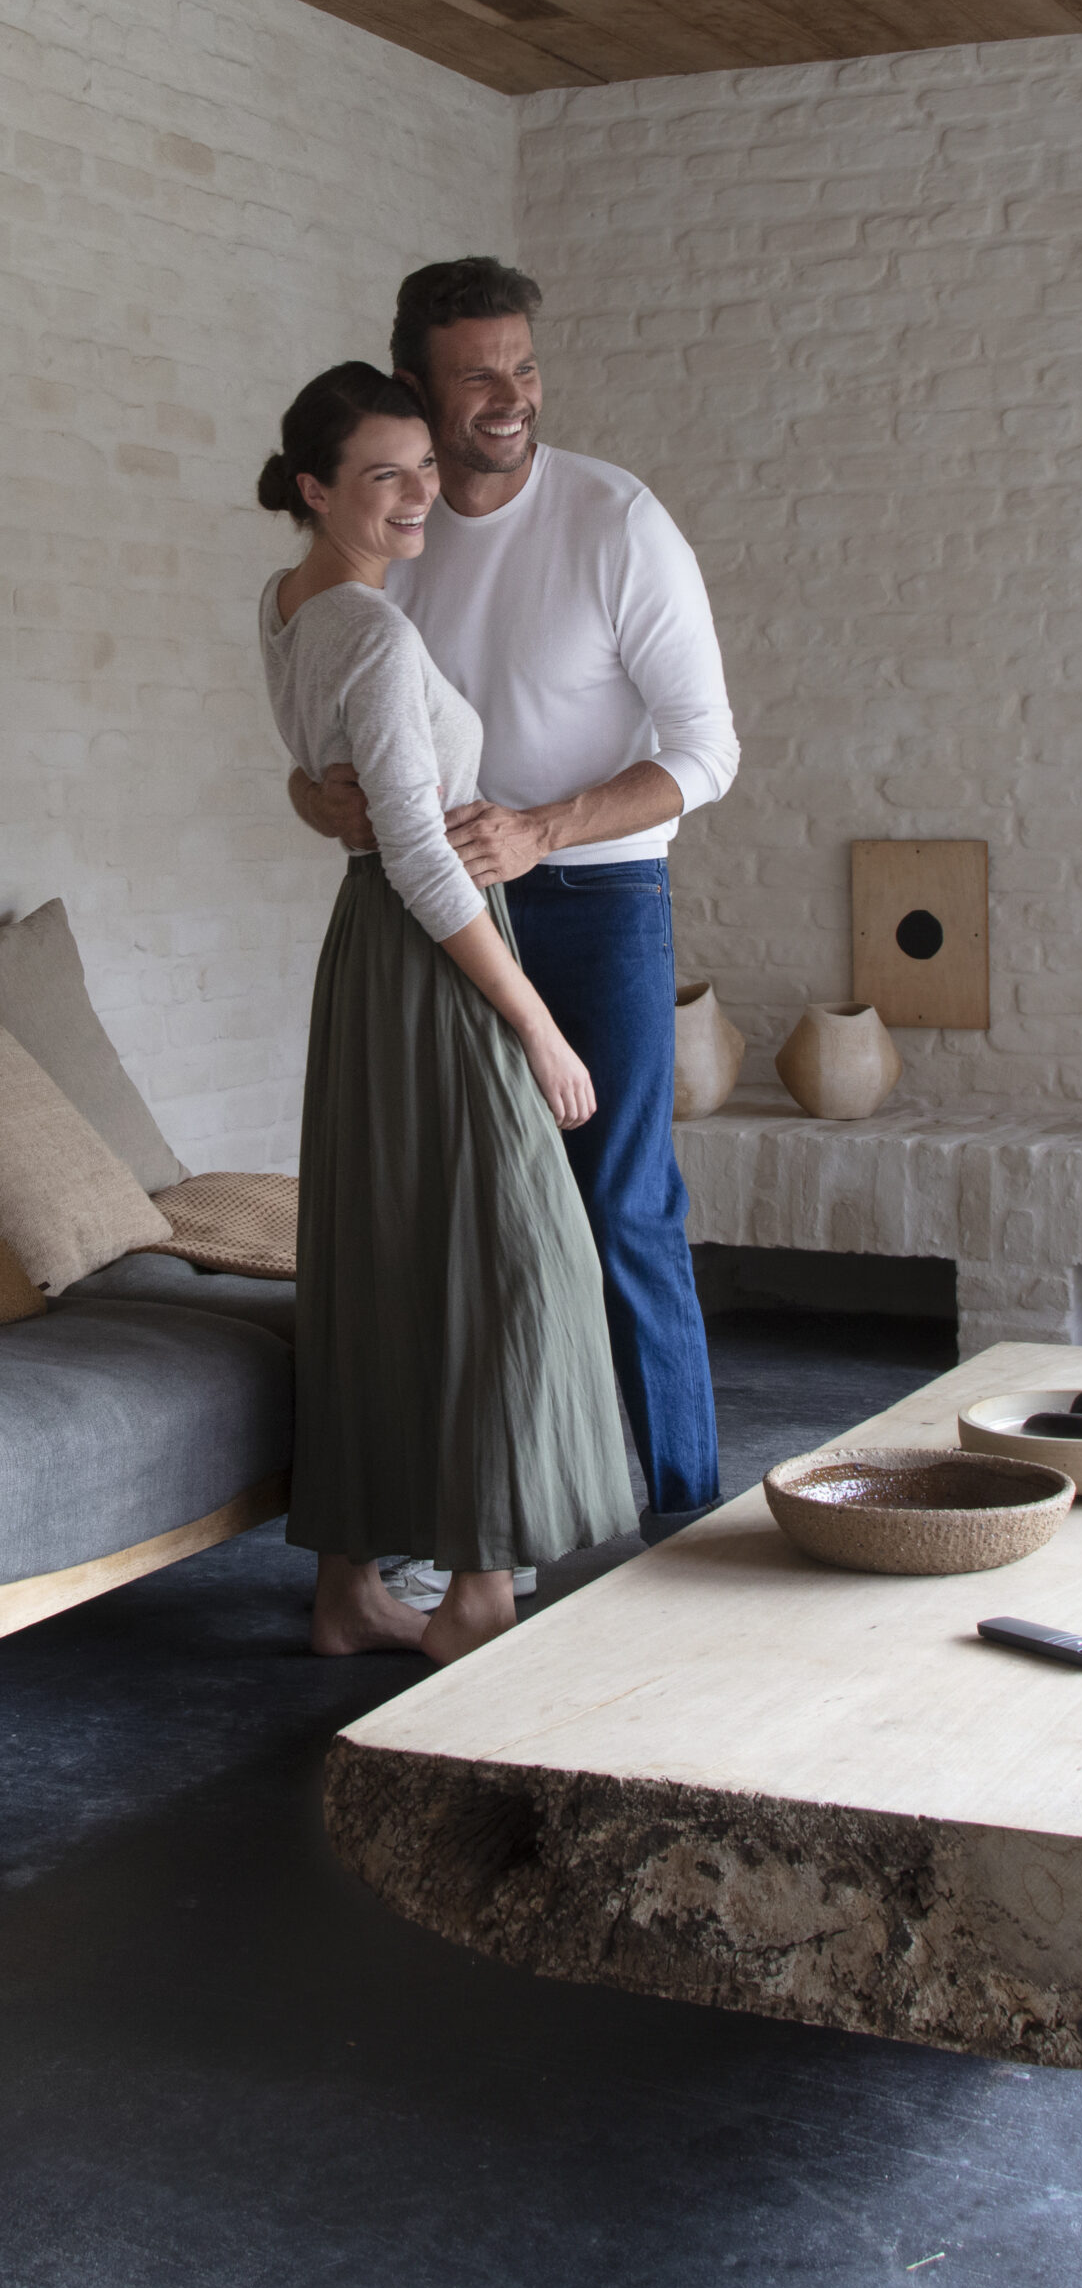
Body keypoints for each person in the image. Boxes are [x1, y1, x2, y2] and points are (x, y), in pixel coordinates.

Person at [286, 260, 739, 1537]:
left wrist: (543, 829)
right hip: (430, 914)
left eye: (525, 367)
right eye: (477, 374)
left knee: (619, 1204)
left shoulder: (617, 520)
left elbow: (708, 752)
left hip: (596, 902)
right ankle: (488, 1534)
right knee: (456, 1220)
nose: (511, 396)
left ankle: (679, 1520)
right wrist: (314, 798)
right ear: (414, 385)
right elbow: (340, 723)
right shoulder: (394, 523)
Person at [258, 364, 637, 1662]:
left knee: (383, 1251)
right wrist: (538, 1023)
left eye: (425, 467)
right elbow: (420, 854)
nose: (422, 493)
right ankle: (474, 1593)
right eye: (387, 474)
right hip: (429, 951)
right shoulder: (366, 631)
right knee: (519, 1254)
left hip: (366, 958)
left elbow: (324, 782)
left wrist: (320, 800)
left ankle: (349, 1591)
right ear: (316, 488)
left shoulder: (288, 603)